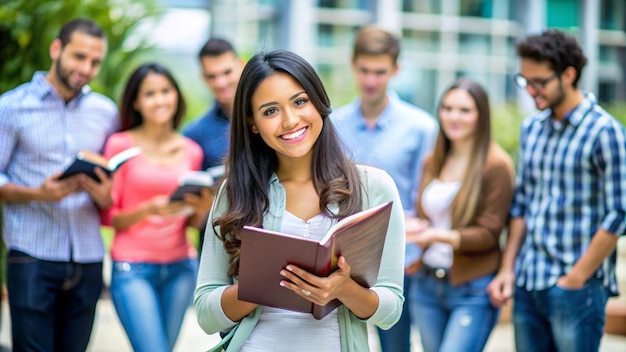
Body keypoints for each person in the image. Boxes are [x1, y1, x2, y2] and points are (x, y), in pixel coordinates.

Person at [194, 49, 406, 351]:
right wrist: (262, 285)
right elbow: (206, 313)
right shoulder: (236, 191)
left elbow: (390, 311)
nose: (290, 120)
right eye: (270, 111)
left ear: (318, 101)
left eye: (299, 101)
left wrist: (344, 289)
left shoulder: (374, 188)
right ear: (252, 123)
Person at [487, 29, 626, 352]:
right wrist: (509, 269)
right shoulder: (531, 128)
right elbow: (522, 204)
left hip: (577, 288)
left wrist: (576, 278)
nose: (531, 91)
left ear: (569, 75)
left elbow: (619, 213)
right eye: (525, 81)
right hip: (528, 282)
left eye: (539, 82)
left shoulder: (605, 132)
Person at [0, 18, 119, 351]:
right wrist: (38, 193)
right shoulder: (10, 107)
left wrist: (105, 194)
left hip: (88, 257)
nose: (87, 68)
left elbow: (111, 177)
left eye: (95, 62)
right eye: (79, 57)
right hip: (32, 255)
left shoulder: (105, 111)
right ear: (57, 49)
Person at [331, 24, 437, 352]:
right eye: (364, 70)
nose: (371, 80)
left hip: (401, 259)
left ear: (395, 70)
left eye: (380, 72)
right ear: (353, 66)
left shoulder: (421, 128)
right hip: (344, 259)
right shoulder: (333, 125)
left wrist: (416, 253)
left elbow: (426, 196)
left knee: (396, 346)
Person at [102, 63, 211, 352]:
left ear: (176, 95)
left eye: (166, 91)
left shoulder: (191, 150)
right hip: (133, 269)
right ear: (136, 102)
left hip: (181, 269)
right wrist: (147, 209)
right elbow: (110, 217)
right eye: (150, 94)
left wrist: (203, 207)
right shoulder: (120, 145)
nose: (160, 99)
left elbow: (191, 223)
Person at [406, 77, 515, 352]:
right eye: (447, 108)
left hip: (472, 287)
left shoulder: (496, 165)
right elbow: (428, 215)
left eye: (465, 110)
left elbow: (489, 234)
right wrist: (416, 228)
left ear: (481, 115)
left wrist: (434, 234)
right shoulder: (434, 160)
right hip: (427, 283)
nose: (454, 117)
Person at [182, 37, 244, 255]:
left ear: (241, 66)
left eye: (227, 72)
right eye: (212, 76)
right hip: (216, 242)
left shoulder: (266, 117)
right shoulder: (194, 133)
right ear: (203, 77)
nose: (220, 82)